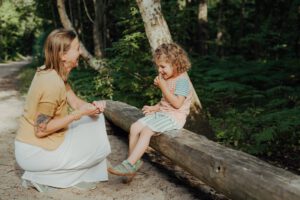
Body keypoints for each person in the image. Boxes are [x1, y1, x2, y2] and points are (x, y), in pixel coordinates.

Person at [14, 29, 111, 192]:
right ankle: (40, 177)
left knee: (96, 120)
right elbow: (41, 130)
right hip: (33, 151)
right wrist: (78, 114)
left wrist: (93, 107)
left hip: (40, 144)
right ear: (62, 55)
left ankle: (73, 176)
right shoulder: (51, 82)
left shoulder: (54, 72)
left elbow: (75, 102)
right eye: (77, 48)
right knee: (97, 148)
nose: (80, 52)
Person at [108, 43, 193, 180]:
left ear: (176, 64)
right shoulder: (168, 78)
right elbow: (165, 101)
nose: (159, 70)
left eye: (163, 66)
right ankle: (132, 164)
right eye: (158, 66)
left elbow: (177, 104)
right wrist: (154, 107)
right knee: (135, 127)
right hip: (163, 114)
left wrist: (163, 87)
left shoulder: (182, 80)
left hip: (174, 117)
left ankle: (129, 164)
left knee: (147, 131)